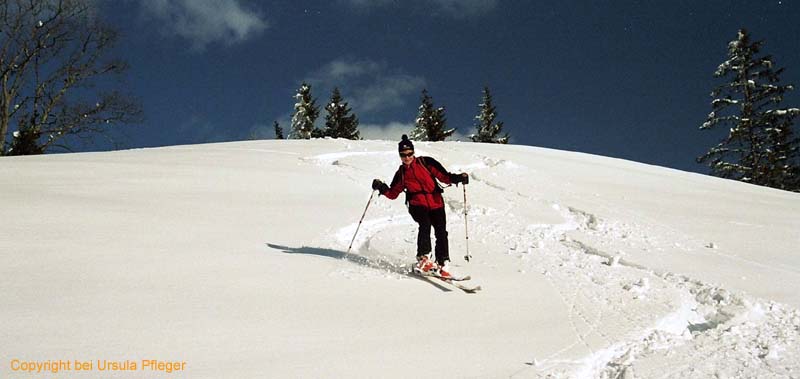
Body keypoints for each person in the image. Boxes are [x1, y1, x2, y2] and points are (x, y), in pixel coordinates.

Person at [371, 135, 469, 278]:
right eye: (403, 155)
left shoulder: (426, 162)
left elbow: (445, 177)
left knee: (441, 231)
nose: (407, 157)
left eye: (409, 154)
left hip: (436, 202)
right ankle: (424, 258)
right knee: (425, 224)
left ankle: (442, 262)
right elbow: (393, 193)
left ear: (413, 152)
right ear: (400, 156)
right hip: (417, 203)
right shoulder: (402, 174)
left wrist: (460, 177)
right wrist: (381, 186)